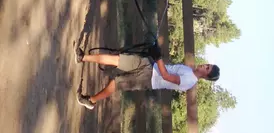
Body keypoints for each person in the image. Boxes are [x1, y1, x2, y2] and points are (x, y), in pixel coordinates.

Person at [75, 43, 220, 110]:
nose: (204, 65)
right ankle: (82, 57)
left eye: (207, 68)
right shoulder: (189, 70)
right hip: (149, 66)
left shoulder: (189, 81)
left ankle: (90, 101)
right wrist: (155, 57)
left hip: (149, 79)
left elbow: (166, 76)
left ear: (206, 76)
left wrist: (158, 57)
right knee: (118, 59)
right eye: (207, 64)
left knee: (116, 83)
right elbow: (165, 69)